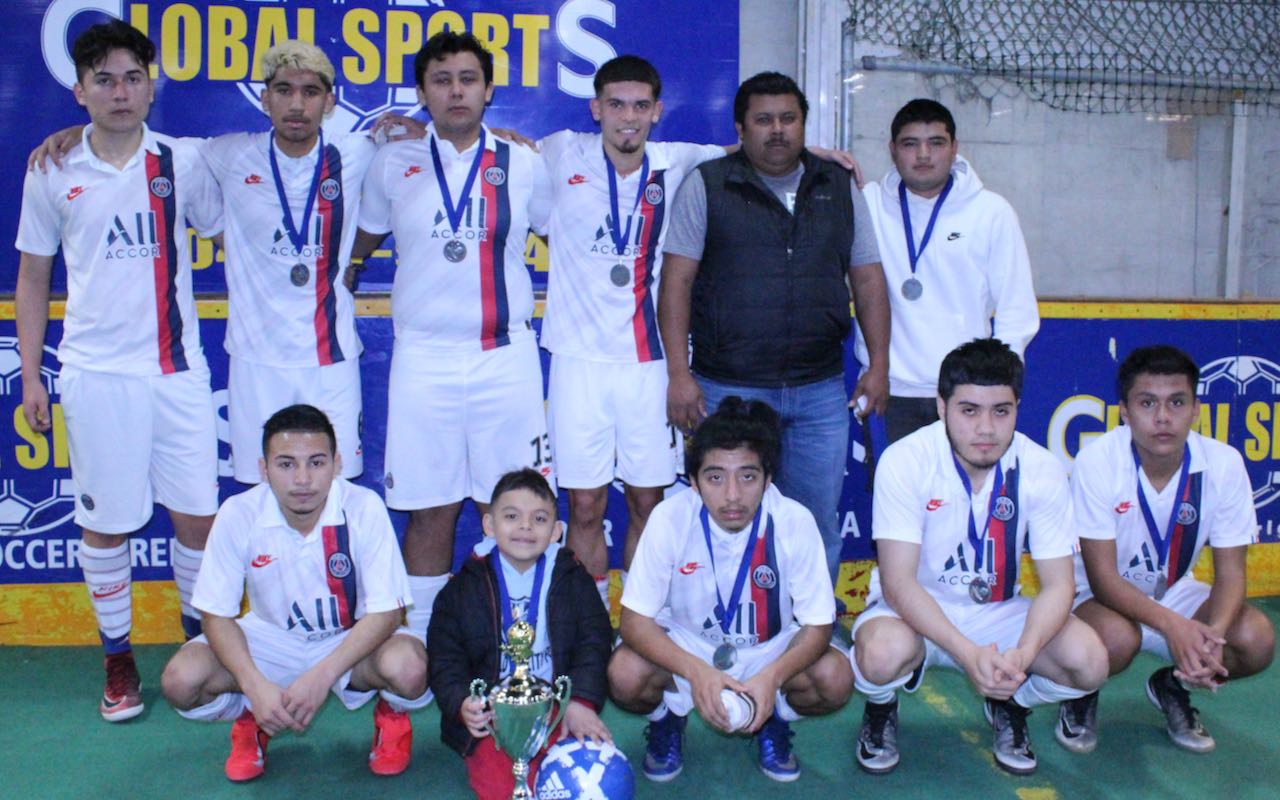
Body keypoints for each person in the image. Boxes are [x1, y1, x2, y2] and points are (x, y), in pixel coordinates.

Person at [14, 20, 222, 722]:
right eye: (104, 80)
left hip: (177, 373)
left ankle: (200, 649)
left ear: (151, 86)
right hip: (96, 376)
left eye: (133, 77)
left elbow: (263, 169)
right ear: (80, 92)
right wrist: (33, 375)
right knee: (105, 527)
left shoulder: (183, 162)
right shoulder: (52, 169)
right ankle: (118, 660)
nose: (121, 92)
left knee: (198, 522)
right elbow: (34, 276)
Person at [353, 31, 553, 640]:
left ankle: (519, 645)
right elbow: (359, 241)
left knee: (518, 508)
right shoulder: (393, 163)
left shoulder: (524, 163)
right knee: (429, 509)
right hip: (424, 360)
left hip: (504, 357)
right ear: (422, 93)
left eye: (468, 79)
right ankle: (422, 646)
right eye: (442, 80)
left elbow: (564, 232)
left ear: (488, 90)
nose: (456, 91)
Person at [660, 71, 891, 584]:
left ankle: (814, 622)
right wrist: (678, 373)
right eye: (763, 120)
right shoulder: (709, 184)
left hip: (818, 392)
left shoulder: (838, 186)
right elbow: (675, 283)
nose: (778, 129)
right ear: (741, 128)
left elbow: (868, 278)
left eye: (788, 118)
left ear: (804, 124)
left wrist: (879, 363)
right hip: (729, 390)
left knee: (814, 525)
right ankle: (725, 617)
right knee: (726, 521)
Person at [850, 338, 1107, 776]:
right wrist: (969, 655)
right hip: (912, 613)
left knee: (1090, 663)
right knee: (879, 656)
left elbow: (1059, 585)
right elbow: (898, 582)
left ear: (1018, 408)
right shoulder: (905, 460)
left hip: (998, 611)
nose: (986, 428)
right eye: (969, 410)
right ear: (941, 406)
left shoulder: (1041, 467)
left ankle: (1013, 703)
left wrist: (1023, 656)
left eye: (1000, 411)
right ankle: (880, 706)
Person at [535, 55, 725, 606]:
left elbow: (756, 152)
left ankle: (641, 623)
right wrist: (417, 131)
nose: (628, 117)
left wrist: (820, 154)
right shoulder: (560, 151)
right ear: (596, 109)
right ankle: (590, 623)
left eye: (640, 106)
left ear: (657, 111)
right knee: (584, 506)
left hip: (649, 365)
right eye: (616, 105)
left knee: (648, 503)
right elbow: (487, 142)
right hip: (578, 364)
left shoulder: (677, 161)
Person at [159, 404, 430, 781]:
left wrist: (321, 677)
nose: (303, 479)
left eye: (316, 463)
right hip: (270, 640)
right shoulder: (238, 513)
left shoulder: (363, 507)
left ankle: (391, 716)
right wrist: (254, 686)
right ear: (263, 468)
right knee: (181, 680)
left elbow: (386, 613)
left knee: (410, 668)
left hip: (348, 639)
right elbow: (216, 614)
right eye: (286, 464)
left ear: (337, 464)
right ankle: (251, 718)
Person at [608, 397, 854, 783]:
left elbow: (818, 625)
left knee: (835, 678)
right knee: (624, 674)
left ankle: (773, 718)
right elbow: (634, 622)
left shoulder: (794, 521)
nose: (733, 495)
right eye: (716, 478)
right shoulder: (670, 518)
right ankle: (667, 718)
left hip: (769, 650)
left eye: (748, 477)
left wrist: (772, 677)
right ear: (694, 481)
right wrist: (696, 672)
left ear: (768, 479)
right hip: (688, 645)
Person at [1059, 345, 1274, 754]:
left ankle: (1174, 685)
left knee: (1255, 638)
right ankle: (1081, 692)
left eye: (1176, 402)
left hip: (1174, 591)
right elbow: (1103, 580)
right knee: (1116, 639)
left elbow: (1231, 573)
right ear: (1124, 411)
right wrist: (1175, 628)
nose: (1162, 417)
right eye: (1147, 403)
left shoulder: (1224, 463)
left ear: (1195, 409)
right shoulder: (1098, 461)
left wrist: (1212, 637)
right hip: (1096, 599)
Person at [857, 99, 1039, 444]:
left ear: (954, 148)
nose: (923, 154)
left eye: (936, 143)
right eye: (910, 144)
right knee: (895, 481)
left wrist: (995, 385)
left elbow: (1016, 309)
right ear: (892, 150)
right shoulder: (869, 205)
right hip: (890, 391)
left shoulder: (991, 212)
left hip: (967, 394)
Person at [428, 468, 612, 799]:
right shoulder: (463, 588)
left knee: (594, 777)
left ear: (556, 531)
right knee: (504, 788)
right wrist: (462, 702)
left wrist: (580, 701)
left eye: (539, 519)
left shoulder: (572, 578)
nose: (525, 527)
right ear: (489, 525)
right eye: (512, 516)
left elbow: (594, 643)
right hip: (495, 717)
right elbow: (445, 657)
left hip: (557, 709)